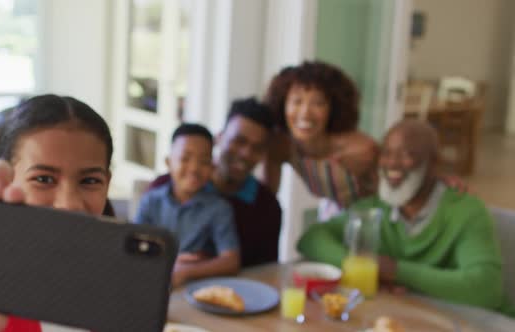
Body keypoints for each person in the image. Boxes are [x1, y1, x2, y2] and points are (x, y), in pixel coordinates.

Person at [0, 94, 114, 331]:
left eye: (89, 180)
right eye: (43, 179)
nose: (69, 204)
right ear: (5, 179)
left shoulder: (123, 287)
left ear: (107, 183)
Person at [297, 119, 515, 317]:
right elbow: (312, 238)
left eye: (407, 154)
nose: (392, 163)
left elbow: (486, 289)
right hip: (413, 318)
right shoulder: (375, 207)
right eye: (387, 152)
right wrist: (367, 268)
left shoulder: (465, 209)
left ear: (434, 164)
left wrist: (396, 271)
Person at [148, 97, 282, 267]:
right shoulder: (166, 188)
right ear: (219, 137)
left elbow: (266, 272)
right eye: (239, 141)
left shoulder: (268, 207)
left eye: (257, 148)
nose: (246, 154)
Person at [135, 123, 240, 287]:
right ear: (169, 162)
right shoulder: (150, 201)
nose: (194, 168)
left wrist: (184, 271)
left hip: (196, 289)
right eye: (185, 158)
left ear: (212, 167)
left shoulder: (219, 208)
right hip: (150, 284)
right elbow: (134, 250)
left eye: (204, 161)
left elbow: (231, 261)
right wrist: (169, 260)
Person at [262, 61, 379, 208]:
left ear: (333, 108)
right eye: (297, 101)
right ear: (282, 105)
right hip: (332, 214)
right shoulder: (282, 146)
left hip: (370, 217)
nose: (305, 113)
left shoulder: (361, 150)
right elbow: (266, 201)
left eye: (318, 103)